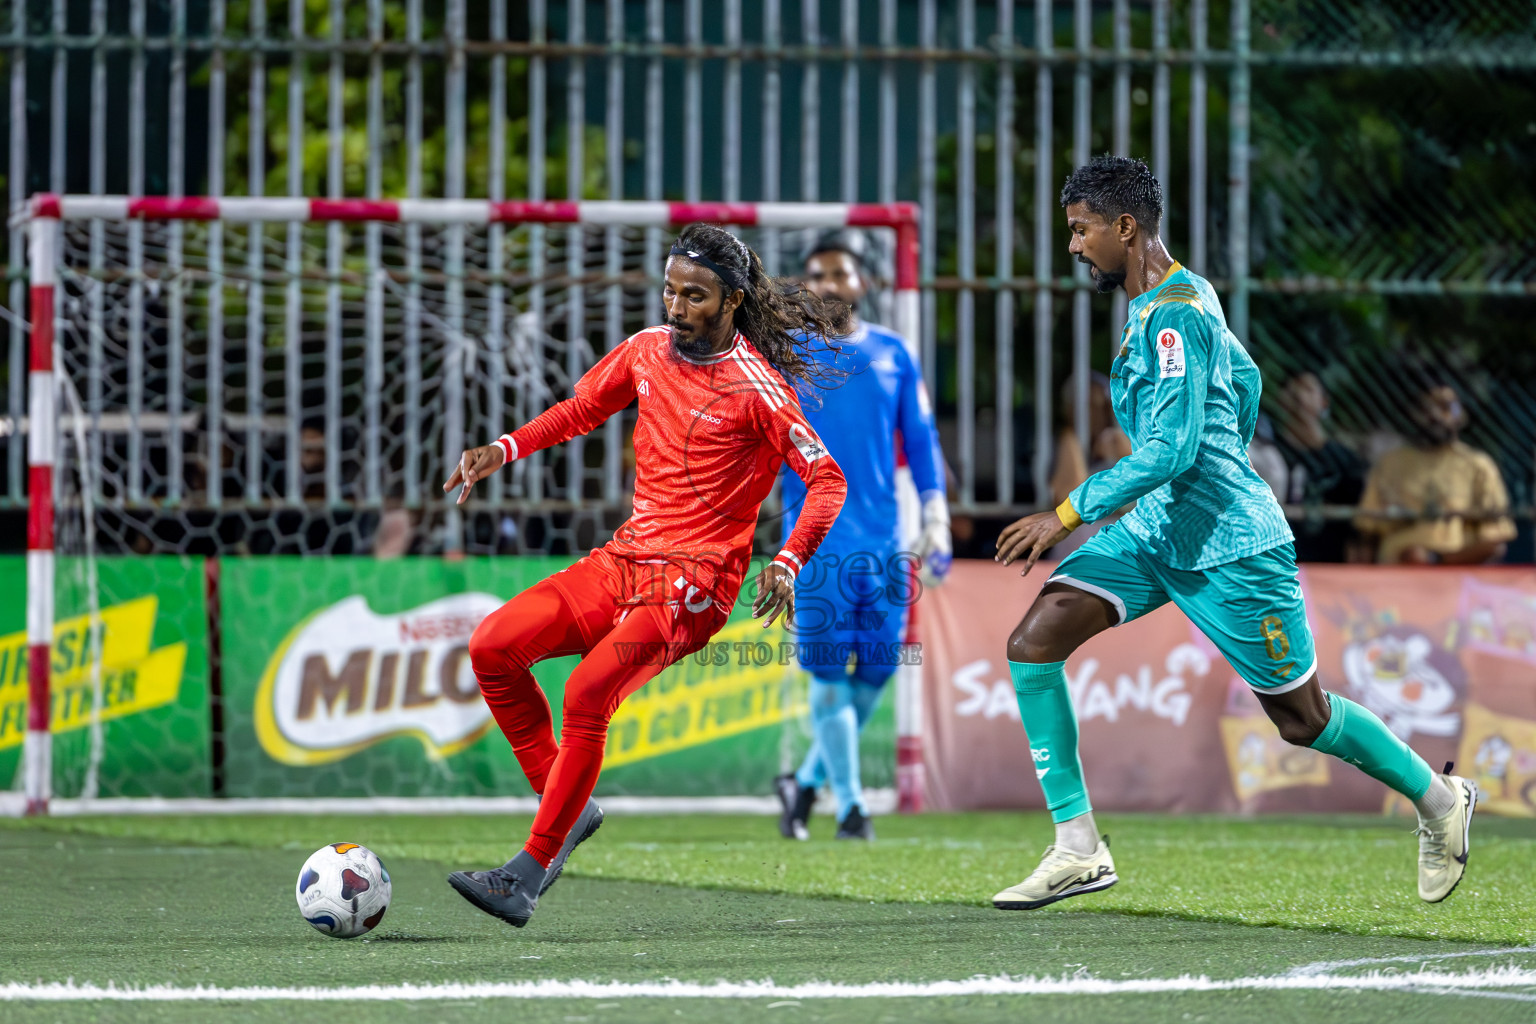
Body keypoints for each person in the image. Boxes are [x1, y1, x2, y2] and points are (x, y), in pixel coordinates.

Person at [990, 155, 1477, 912]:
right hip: (1158, 531)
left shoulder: (1176, 313)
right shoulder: (1169, 295)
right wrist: (1226, 451)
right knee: (1034, 641)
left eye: (1082, 231)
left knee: (1301, 719)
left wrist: (1064, 514)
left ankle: (1440, 799)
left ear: (1125, 227)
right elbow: (1245, 380)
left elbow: (1172, 450)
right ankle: (1077, 846)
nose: (1074, 246)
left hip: (1232, 548)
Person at [441, 223, 850, 927]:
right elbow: (579, 411)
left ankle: (527, 874)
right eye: (669, 290)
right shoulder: (644, 352)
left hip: (695, 586)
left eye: (695, 296)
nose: (676, 307)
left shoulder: (759, 389)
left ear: (731, 302)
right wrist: (502, 450)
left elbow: (827, 480)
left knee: (588, 689)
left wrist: (786, 562)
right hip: (626, 559)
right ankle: (565, 809)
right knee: (492, 647)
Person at [773, 230, 949, 842]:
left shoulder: (894, 353)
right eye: (816, 275)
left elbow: (922, 442)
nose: (828, 285)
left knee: (874, 674)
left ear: (862, 282)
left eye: (839, 273)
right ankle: (851, 809)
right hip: (815, 544)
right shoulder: (781, 360)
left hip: (885, 542)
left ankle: (806, 783)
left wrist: (936, 515)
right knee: (827, 677)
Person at [1354, 380, 1516, 565]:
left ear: (1461, 414)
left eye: (1445, 407)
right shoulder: (1390, 464)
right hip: (1395, 575)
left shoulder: (1478, 466)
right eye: (1426, 407)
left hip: (1457, 579)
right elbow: (1366, 532)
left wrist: (1434, 561)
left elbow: (1495, 542)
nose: (1434, 415)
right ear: (1413, 414)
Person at [1273, 370, 1366, 562]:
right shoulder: (1270, 453)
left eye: (1307, 388)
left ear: (1324, 402)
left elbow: (1360, 514)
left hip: (1332, 559)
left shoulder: (1343, 459)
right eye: (1292, 388)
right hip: (1282, 558)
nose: (1298, 394)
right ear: (1281, 400)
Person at [1047, 371, 1133, 559]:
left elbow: (1145, 495)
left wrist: (1123, 450)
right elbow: (1070, 500)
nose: (1094, 414)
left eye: (1100, 406)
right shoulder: (1061, 443)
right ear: (1068, 408)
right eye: (1086, 406)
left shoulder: (1119, 442)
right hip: (1081, 542)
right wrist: (1072, 441)